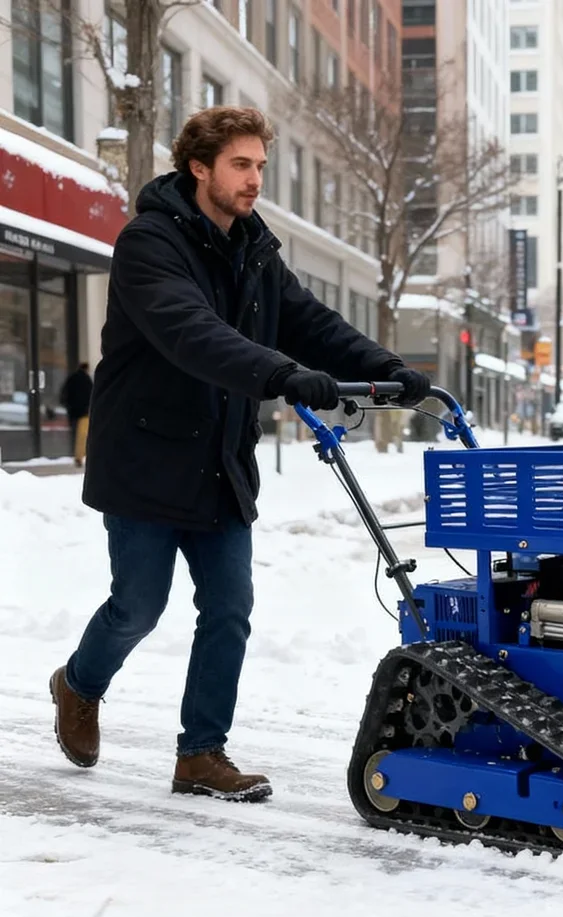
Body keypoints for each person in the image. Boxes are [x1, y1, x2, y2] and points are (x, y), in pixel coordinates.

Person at [48, 107, 430, 801]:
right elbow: (188, 330)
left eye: (260, 165)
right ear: (200, 167)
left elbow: (312, 322)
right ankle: (77, 683)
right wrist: (280, 374)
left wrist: (389, 368)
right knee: (139, 607)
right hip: (146, 461)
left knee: (229, 608)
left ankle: (201, 754)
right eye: (241, 165)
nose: (255, 180)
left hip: (220, 461)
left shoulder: (255, 249)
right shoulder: (148, 243)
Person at [59, 362, 93, 466]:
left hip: (73, 411)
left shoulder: (71, 378)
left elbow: (64, 393)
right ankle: (79, 456)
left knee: (75, 433)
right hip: (84, 412)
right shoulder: (87, 380)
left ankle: (75, 454)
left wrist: (67, 405)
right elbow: (92, 395)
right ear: (86, 369)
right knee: (82, 435)